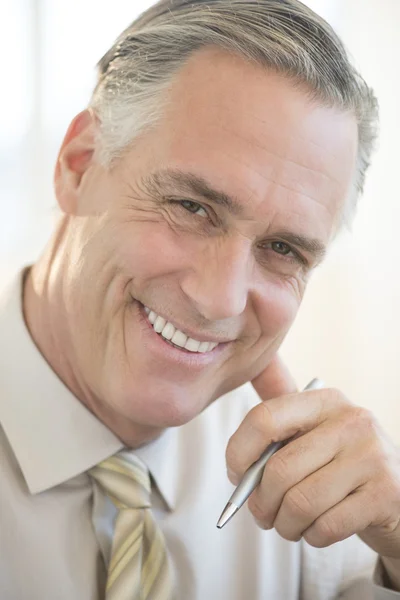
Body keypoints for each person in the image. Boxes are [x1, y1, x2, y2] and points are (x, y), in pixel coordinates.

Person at [1, 0, 400, 598]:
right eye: (192, 208)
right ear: (79, 166)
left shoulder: (309, 495)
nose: (219, 300)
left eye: (284, 249)